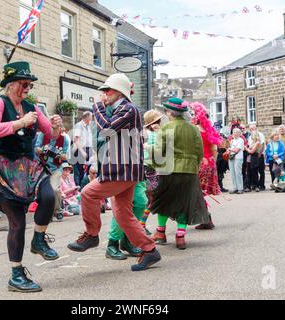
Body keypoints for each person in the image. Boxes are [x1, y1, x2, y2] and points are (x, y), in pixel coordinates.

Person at [67, 73, 161, 272]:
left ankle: (92, 235)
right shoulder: (120, 110)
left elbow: (106, 129)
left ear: (119, 92)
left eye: (107, 90)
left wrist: (97, 107)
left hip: (122, 171)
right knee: (122, 214)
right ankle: (149, 249)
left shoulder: (129, 109)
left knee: (87, 193)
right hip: (121, 170)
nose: (104, 94)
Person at [0, 61, 62, 292]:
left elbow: (50, 136)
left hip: (30, 166)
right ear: (10, 84)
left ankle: (39, 239)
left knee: (50, 195)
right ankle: (16, 275)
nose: (28, 88)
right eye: (24, 83)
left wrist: (57, 127)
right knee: (17, 223)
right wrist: (20, 122)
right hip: (5, 167)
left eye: (29, 84)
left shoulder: (32, 106)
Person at [150, 97, 209, 249]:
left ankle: (160, 233)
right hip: (189, 172)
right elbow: (199, 152)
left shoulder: (166, 128)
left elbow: (158, 152)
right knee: (185, 202)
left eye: (167, 111)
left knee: (163, 201)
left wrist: (148, 153)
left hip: (168, 170)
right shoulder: (193, 129)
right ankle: (180, 236)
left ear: (170, 112)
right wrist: (194, 167)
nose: (166, 113)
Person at [190, 102, 222, 230]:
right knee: (201, 192)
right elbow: (215, 149)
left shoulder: (195, 130)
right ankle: (206, 219)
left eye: (193, 115)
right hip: (209, 163)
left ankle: (206, 219)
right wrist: (213, 162)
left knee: (197, 192)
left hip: (199, 163)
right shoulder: (210, 130)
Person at [34, 126, 70, 220]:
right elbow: (36, 149)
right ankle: (45, 211)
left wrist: (57, 154)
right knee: (43, 190)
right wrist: (43, 149)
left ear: (60, 129)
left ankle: (57, 211)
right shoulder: (42, 135)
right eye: (52, 128)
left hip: (56, 168)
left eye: (56, 128)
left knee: (55, 189)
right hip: (42, 167)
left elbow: (66, 156)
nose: (54, 131)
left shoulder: (64, 139)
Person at [71, 111, 94, 187]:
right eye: (91, 117)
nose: (92, 119)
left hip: (88, 150)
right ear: (87, 117)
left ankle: (85, 188)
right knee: (79, 173)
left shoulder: (89, 127)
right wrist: (82, 152)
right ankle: (78, 190)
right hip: (79, 150)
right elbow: (76, 139)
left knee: (87, 171)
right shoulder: (79, 125)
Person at [248, 124, 266, 190]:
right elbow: (249, 145)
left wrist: (260, 154)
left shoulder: (260, 134)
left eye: (252, 128)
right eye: (250, 129)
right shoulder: (250, 137)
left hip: (259, 155)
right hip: (253, 155)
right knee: (254, 170)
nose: (251, 130)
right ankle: (255, 185)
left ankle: (261, 185)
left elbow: (263, 145)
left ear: (256, 128)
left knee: (261, 171)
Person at [228, 128, 245, 194]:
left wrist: (230, 149)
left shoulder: (241, 140)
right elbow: (231, 149)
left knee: (238, 173)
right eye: (234, 132)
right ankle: (235, 188)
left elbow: (237, 150)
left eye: (236, 132)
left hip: (238, 158)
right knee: (232, 173)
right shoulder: (232, 141)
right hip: (231, 157)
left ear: (239, 133)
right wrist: (229, 150)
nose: (235, 133)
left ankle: (240, 188)